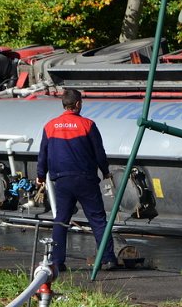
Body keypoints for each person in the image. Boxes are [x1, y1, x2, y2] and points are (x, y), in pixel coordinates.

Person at [35, 88, 120, 272]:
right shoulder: (88, 125)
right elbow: (99, 152)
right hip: (86, 179)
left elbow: (43, 154)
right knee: (97, 219)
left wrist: (41, 176)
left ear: (64, 104)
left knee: (61, 220)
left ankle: (57, 261)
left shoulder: (50, 126)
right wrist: (105, 171)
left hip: (62, 180)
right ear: (78, 104)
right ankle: (107, 259)